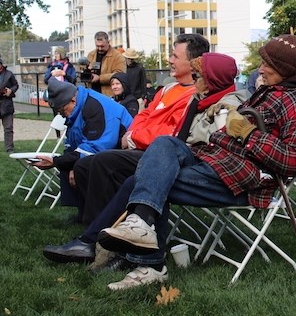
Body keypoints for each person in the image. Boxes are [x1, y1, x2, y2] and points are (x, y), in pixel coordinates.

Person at [97, 34, 296, 290]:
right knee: (164, 144)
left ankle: (150, 264)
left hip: (242, 179)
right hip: (213, 159)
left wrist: (250, 135)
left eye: (267, 64)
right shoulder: (270, 91)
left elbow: (294, 160)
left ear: (284, 68)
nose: (260, 69)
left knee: (155, 181)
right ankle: (140, 230)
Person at [42, 52, 242, 266]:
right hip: (167, 152)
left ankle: (110, 243)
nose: (195, 81)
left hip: (188, 160)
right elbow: (146, 116)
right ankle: (106, 239)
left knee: (126, 168)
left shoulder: (224, 105)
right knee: (100, 165)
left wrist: (138, 138)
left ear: (213, 79)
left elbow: (183, 136)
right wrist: (134, 134)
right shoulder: (190, 96)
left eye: (199, 76)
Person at [68, 34, 210, 226]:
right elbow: (144, 114)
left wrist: (134, 137)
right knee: (84, 165)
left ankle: (98, 233)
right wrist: (131, 134)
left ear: (193, 63)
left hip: (159, 156)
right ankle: (94, 223)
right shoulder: (168, 88)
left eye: (175, 56)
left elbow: (171, 132)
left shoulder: (193, 95)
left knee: (103, 161)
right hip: (141, 145)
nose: (170, 60)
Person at [32, 78, 134, 211]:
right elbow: (72, 143)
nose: (61, 114)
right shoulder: (77, 108)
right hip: (106, 151)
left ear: (72, 100)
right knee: (67, 163)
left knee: (82, 165)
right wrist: (63, 162)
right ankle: (83, 211)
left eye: (62, 110)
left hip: (125, 153)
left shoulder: (94, 107)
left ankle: (97, 216)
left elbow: (97, 146)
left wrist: (56, 162)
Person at [85, 31, 126, 96]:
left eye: (102, 46)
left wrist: (99, 78)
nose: (100, 49)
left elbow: (120, 75)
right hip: (92, 93)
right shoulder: (91, 54)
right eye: (97, 46)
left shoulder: (117, 56)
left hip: (109, 94)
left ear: (108, 42)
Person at [0, 59, 18, 153]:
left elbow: (16, 85)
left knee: (8, 128)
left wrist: (11, 91)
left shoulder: (9, 74)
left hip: (6, 104)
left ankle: (9, 148)